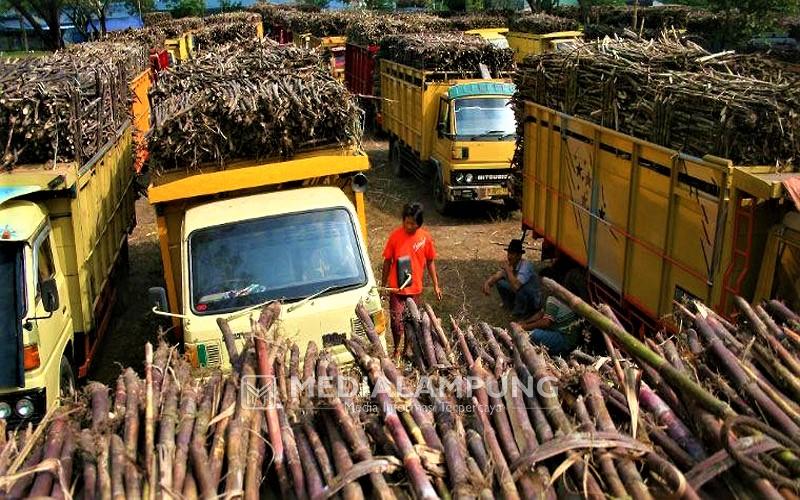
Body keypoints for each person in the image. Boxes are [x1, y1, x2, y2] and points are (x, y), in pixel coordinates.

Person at [381, 202, 442, 359]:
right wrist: (383, 285)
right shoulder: (395, 236)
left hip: (414, 289)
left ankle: (407, 348)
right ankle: (396, 348)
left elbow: (430, 261)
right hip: (396, 288)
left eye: (412, 223)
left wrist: (436, 284)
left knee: (411, 320)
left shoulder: (425, 238)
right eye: (406, 222)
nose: (408, 226)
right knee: (396, 321)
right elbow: (387, 261)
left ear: (419, 223)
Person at [517, 271, 587, 357]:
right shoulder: (557, 296)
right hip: (569, 337)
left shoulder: (553, 299)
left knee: (533, 334)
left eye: (541, 283)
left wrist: (524, 327)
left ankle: (552, 353)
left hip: (565, 340)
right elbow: (541, 313)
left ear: (548, 286)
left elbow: (546, 322)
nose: (539, 286)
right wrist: (525, 322)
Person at [482, 239, 541, 318]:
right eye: (509, 253)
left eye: (512, 254)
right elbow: (497, 276)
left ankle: (520, 312)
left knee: (520, 288)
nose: (509, 256)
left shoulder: (525, 266)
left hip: (532, 300)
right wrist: (487, 283)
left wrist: (508, 271)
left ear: (519, 255)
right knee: (500, 283)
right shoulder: (511, 264)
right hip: (520, 293)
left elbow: (516, 286)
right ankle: (509, 304)